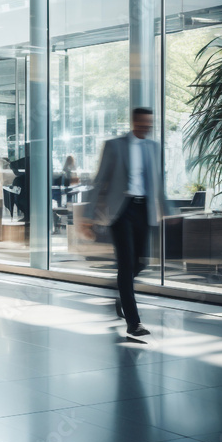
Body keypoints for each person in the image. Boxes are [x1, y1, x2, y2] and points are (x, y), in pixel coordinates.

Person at [81, 108, 170, 341]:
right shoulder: (115, 145)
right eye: (142, 123)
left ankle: (123, 293)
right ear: (133, 122)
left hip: (144, 209)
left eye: (149, 124)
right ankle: (133, 322)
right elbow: (99, 181)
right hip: (121, 212)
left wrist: (168, 211)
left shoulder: (153, 147)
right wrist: (87, 216)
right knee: (126, 262)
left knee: (142, 262)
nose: (145, 128)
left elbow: (158, 182)